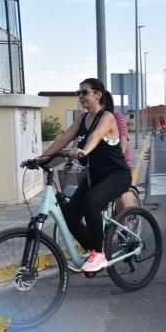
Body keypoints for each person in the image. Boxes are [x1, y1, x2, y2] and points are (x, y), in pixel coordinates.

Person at [21, 78, 131, 272]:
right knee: (70, 216)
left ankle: (98, 253)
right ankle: (94, 249)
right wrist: (40, 159)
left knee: (91, 202)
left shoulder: (107, 117)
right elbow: (63, 138)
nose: (80, 96)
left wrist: (84, 151)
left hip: (117, 175)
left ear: (97, 94)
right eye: (78, 93)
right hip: (94, 177)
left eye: (84, 92)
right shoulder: (81, 118)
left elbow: (96, 136)